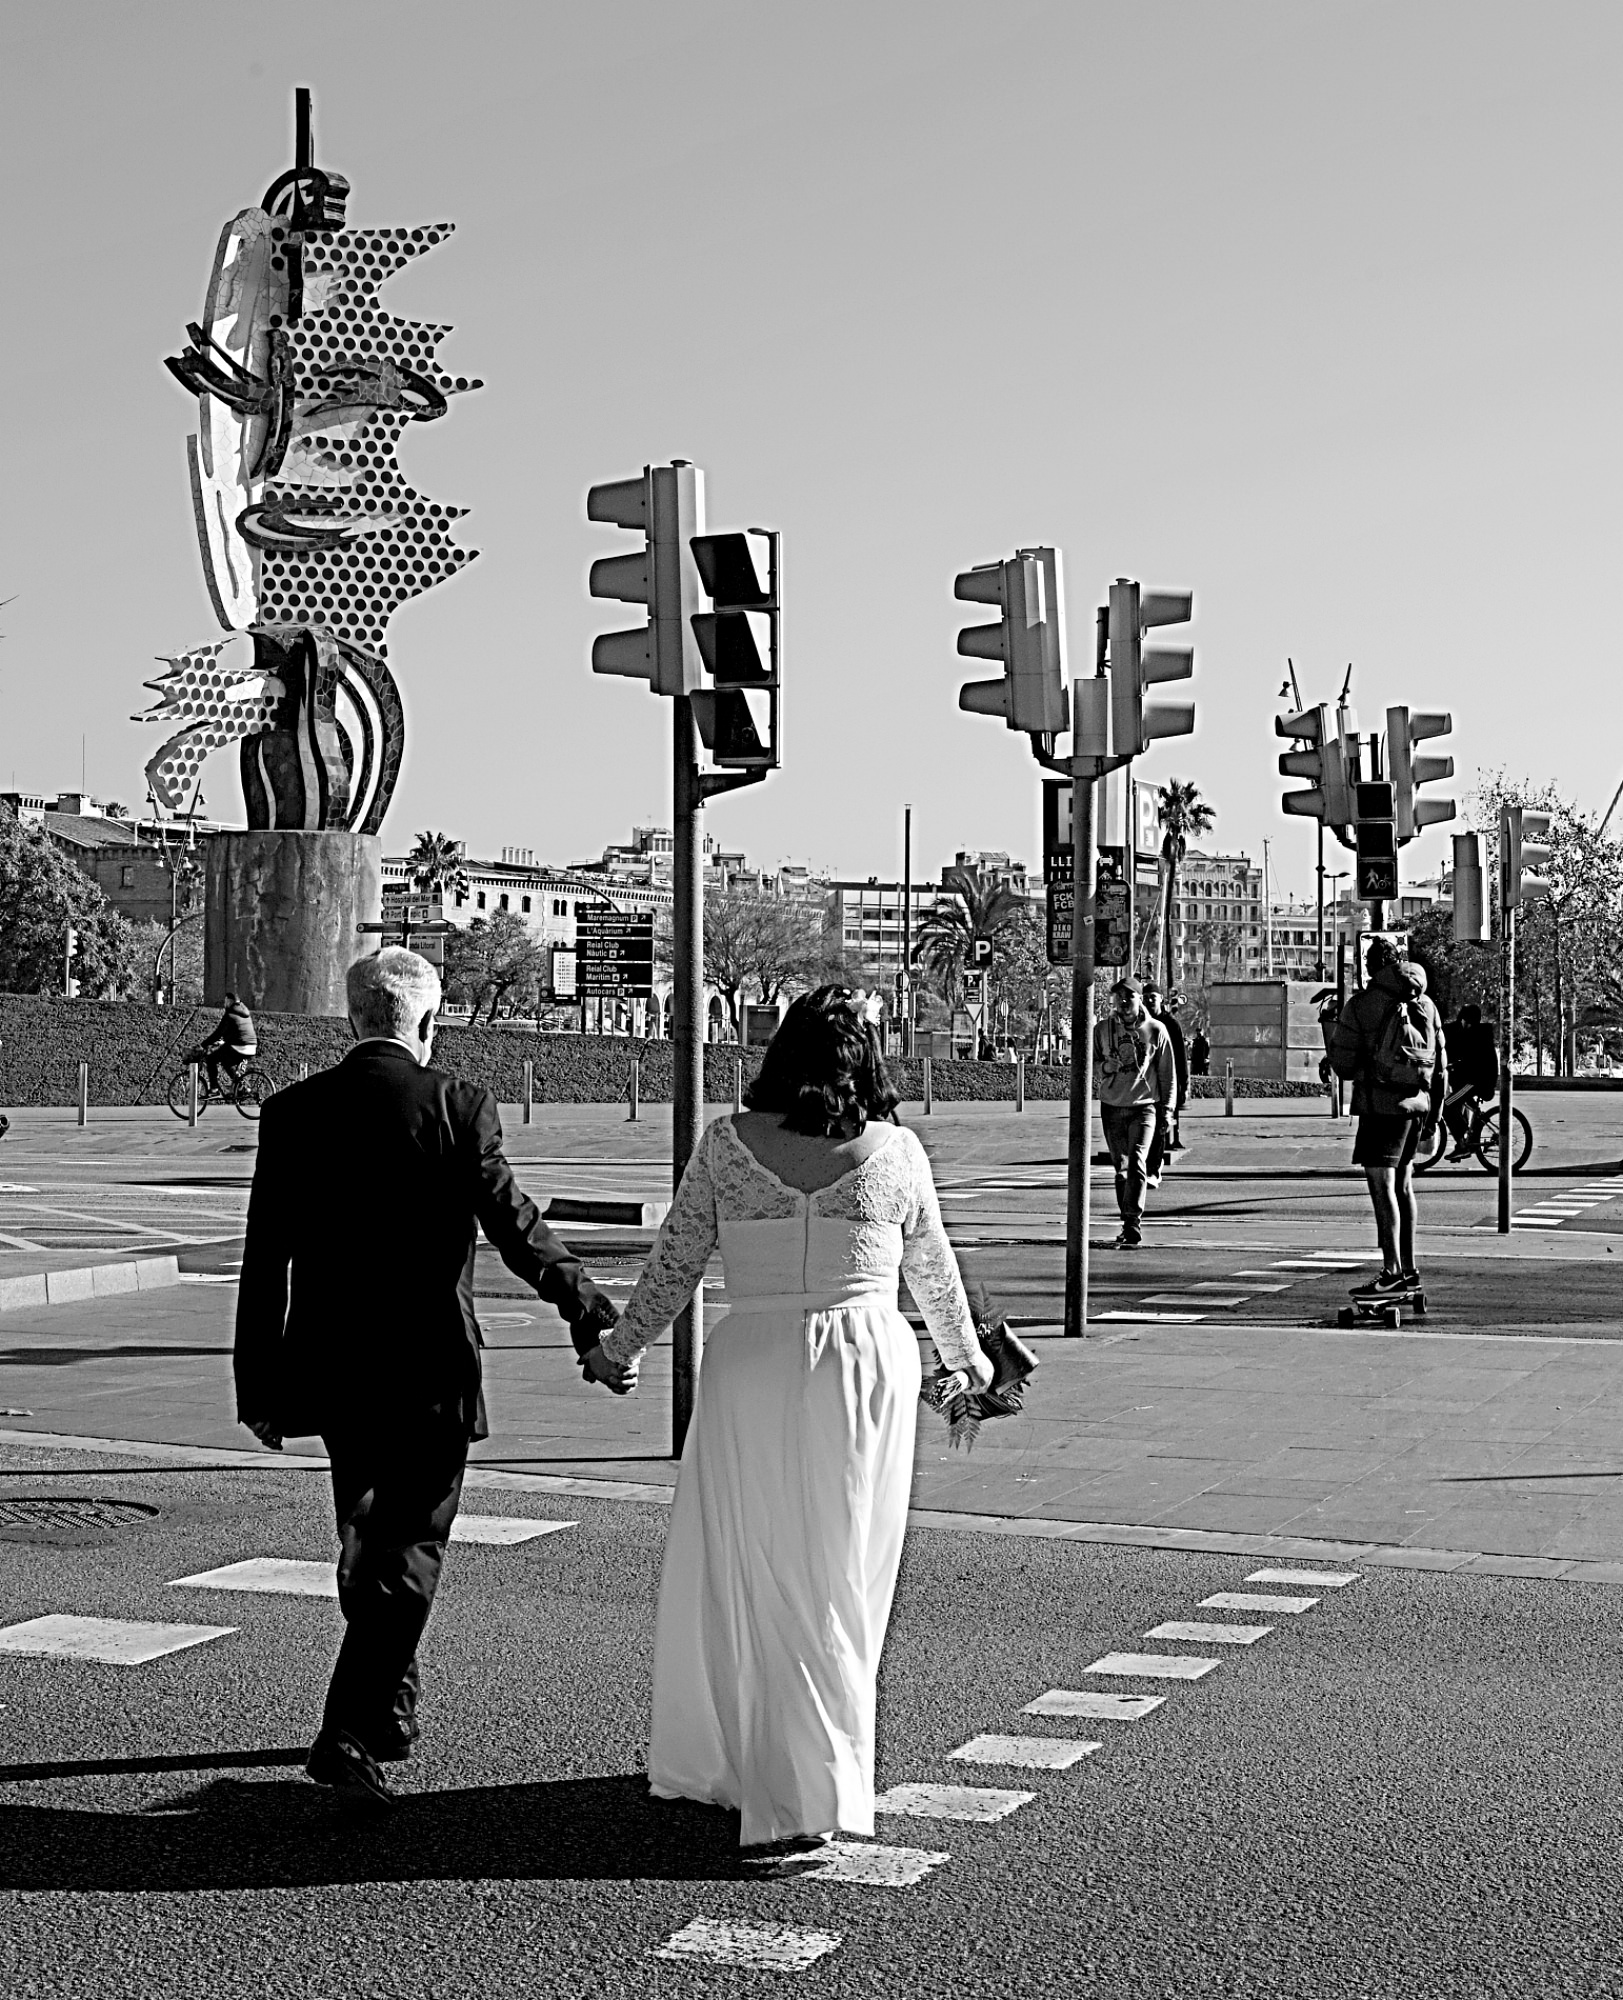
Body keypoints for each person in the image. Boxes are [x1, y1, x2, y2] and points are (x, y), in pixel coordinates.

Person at [599, 986, 992, 1855]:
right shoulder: (896, 1151)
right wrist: (966, 1361)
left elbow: (674, 1264)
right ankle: (816, 1776)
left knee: (751, 1560)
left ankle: (755, 1758)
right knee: (840, 1569)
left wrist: (620, 1349)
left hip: (753, 1358)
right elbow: (933, 1270)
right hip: (863, 1363)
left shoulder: (728, 1145)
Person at [234, 948, 624, 1809]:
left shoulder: (294, 1111)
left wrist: (258, 1387)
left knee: (369, 1541)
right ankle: (346, 1733)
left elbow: (265, 1260)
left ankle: (389, 1706)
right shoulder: (457, 1105)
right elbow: (517, 1228)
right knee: (409, 1550)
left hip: (333, 1366)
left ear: (352, 1018)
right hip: (430, 1367)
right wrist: (588, 1308)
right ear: (428, 1020)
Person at [1327, 940, 1447, 1297]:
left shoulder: (1363, 1005)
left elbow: (1343, 1065)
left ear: (1371, 967)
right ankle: (1409, 1270)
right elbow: (1441, 1066)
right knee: (1404, 1187)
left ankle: (1392, 1271)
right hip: (1417, 1107)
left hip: (1380, 1108)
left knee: (1382, 1187)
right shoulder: (1425, 1003)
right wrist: (1434, 1116)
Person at [1094, 977, 1176, 1249]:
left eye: (1129, 996)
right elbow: (1089, 1064)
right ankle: (1126, 1219)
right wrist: (1106, 1067)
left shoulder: (1156, 1030)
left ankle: (1132, 1222)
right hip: (1112, 1107)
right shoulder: (1102, 1030)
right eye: (1119, 997)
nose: (1123, 1002)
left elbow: (1168, 1074)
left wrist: (1167, 1111)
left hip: (1144, 1108)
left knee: (1137, 1162)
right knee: (1122, 1170)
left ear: (1140, 999)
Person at [1142, 982, 1189, 1179]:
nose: (1149, 1001)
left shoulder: (1171, 1024)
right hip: (1145, 1085)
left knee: (1161, 1124)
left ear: (1161, 999)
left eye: (1153, 997)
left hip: (1167, 1082)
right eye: (1146, 998)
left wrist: (1183, 1085)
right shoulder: (1140, 1023)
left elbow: (1180, 1056)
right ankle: (1145, 1164)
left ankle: (1154, 1167)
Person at [1442, 1003, 1498, 1158]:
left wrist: (1454, 1066)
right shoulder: (1477, 1032)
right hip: (1475, 1081)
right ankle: (1468, 1133)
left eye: (1468, 1022)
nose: (1466, 1025)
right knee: (1458, 1101)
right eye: (1465, 1021)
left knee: (1447, 1106)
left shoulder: (1477, 1035)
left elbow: (1471, 1062)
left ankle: (1462, 1145)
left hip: (1476, 1083)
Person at [190, 991, 257, 1097]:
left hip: (239, 1046)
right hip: (251, 1047)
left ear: (230, 1001)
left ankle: (214, 1089)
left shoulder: (230, 1014)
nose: (224, 1004)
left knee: (211, 1059)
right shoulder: (244, 1012)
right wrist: (223, 1040)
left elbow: (218, 1033)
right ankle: (241, 1087)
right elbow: (236, 1031)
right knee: (226, 1062)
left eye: (225, 1001)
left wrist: (203, 1044)